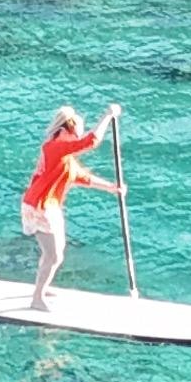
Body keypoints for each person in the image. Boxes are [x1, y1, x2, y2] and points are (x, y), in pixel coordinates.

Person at [20, 102, 121, 308]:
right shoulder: (53, 148)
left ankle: (42, 287)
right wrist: (108, 116)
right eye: (75, 133)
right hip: (40, 206)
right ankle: (37, 299)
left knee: (56, 252)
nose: (77, 138)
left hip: (47, 206)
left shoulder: (64, 157)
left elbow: (81, 177)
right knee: (54, 254)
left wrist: (112, 187)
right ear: (65, 130)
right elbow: (91, 141)